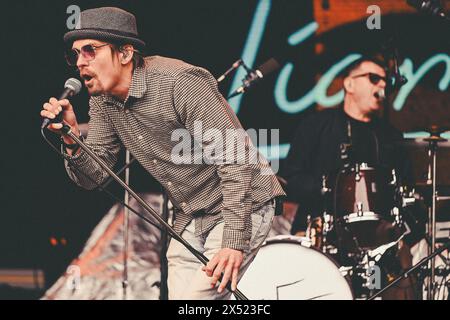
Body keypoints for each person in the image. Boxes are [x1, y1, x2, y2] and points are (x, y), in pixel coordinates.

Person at [40, 7, 285, 300]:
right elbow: (93, 179)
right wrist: (72, 138)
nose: (80, 62)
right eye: (75, 54)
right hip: (192, 214)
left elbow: (237, 160)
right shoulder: (103, 101)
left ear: (126, 53)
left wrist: (233, 240)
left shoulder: (179, 82)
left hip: (241, 203)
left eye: (90, 50)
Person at [283, 56, 419, 299]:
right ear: (349, 84)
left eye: (385, 81)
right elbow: (290, 179)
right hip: (321, 234)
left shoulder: (390, 136)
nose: (381, 86)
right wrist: (331, 190)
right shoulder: (317, 125)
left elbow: (405, 190)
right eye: (374, 79)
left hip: (381, 243)